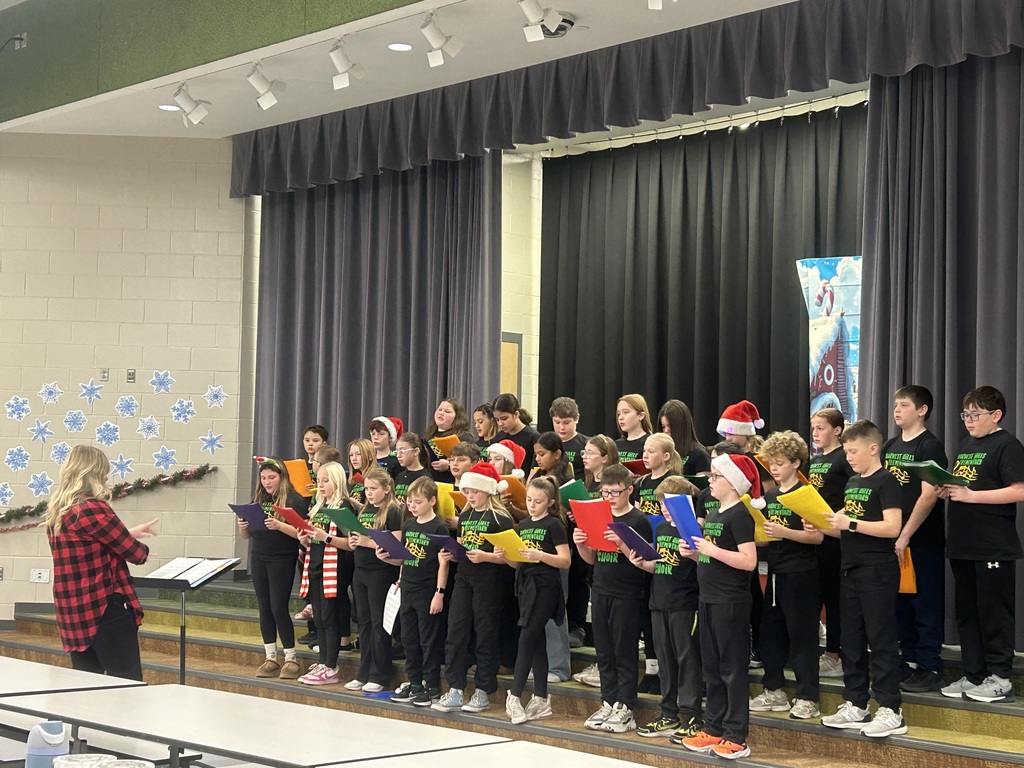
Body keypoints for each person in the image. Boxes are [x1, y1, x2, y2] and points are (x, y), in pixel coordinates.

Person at [938, 386, 1024, 704]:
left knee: (993, 613)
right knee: (967, 613)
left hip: (992, 546)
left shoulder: (1007, 445)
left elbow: (1019, 489)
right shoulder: (967, 444)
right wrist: (949, 488)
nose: (969, 420)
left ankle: (1000, 678)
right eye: (965, 415)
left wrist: (973, 496)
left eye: (975, 414)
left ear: (996, 415)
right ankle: (974, 674)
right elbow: (968, 482)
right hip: (963, 543)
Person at [820, 420, 906, 738]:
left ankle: (890, 708)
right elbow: (844, 527)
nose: (849, 457)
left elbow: (891, 527)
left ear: (873, 448)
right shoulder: (853, 481)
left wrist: (850, 523)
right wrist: (821, 526)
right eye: (846, 451)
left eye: (853, 451)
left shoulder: (887, 482)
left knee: (880, 639)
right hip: (850, 568)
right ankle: (856, 702)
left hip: (877, 570)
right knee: (851, 640)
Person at [43, 445, 157, 681]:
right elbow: (136, 554)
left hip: (72, 609)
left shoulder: (58, 511)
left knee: (87, 683)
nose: (106, 477)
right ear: (93, 473)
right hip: (102, 607)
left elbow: (87, 544)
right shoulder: (94, 508)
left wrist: (129, 532)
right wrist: (135, 542)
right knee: (125, 681)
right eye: (104, 471)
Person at [680, 453, 758, 759]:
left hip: (731, 602)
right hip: (708, 599)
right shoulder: (714, 514)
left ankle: (736, 734)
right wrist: (696, 554)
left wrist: (711, 549)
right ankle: (714, 728)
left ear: (734, 483)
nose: (711, 481)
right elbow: (713, 557)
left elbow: (748, 561)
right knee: (711, 668)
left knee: (731, 670)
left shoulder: (740, 515)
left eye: (716, 477)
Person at [748, 431, 822, 720]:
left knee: (802, 636)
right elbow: (767, 536)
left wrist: (784, 532)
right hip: (776, 571)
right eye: (771, 463)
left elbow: (815, 538)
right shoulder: (770, 495)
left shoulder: (805, 494)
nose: (774, 468)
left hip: (801, 573)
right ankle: (774, 689)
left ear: (796, 463)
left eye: (780, 462)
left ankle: (808, 696)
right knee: (771, 632)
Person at [574, 463, 652, 734]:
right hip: (602, 588)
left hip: (627, 592)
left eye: (615, 492)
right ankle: (608, 701)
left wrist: (621, 542)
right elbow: (592, 559)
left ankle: (625, 705)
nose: (609, 497)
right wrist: (581, 542)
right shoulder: (600, 514)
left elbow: (641, 560)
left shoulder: (638, 520)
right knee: (604, 651)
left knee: (624, 650)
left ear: (629, 490)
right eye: (605, 492)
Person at [433, 462, 515, 714]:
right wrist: (453, 554)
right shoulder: (466, 515)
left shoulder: (501, 518)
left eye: (474, 491)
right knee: (456, 631)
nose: (469, 496)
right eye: (467, 491)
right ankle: (455, 688)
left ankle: (482, 690)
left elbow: (511, 558)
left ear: (488, 491)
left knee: (485, 632)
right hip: (465, 578)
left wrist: (487, 557)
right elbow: (463, 545)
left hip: (489, 580)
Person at [882, 385, 947, 693]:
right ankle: (907, 662)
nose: (897, 409)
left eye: (904, 404)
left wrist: (905, 534)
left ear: (922, 410)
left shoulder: (929, 447)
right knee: (900, 604)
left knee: (924, 603)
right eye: (896, 404)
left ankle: (930, 666)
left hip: (921, 540)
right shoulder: (891, 446)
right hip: (892, 539)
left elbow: (929, 495)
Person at [629, 475, 703, 741]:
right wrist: (642, 563)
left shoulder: (693, 529)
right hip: (659, 601)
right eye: (660, 503)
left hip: (685, 604)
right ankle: (668, 713)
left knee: (687, 660)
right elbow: (661, 564)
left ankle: (691, 714)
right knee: (665, 661)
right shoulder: (660, 529)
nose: (662, 509)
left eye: (668, 504)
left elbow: (702, 565)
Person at [500, 477, 571, 724]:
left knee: (527, 635)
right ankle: (541, 698)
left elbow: (565, 560)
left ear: (550, 502)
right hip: (526, 586)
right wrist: (505, 555)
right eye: (529, 500)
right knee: (537, 640)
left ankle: (514, 695)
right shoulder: (522, 525)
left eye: (538, 501)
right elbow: (516, 563)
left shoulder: (554, 525)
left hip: (547, 587)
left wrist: (540, 554)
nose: (531, 505)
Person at [239, 457, 309, 679]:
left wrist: (279, 525)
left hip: (282, 558)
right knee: (265, 607)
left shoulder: (294, 500)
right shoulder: (259, 499)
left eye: (272, 477)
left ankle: (290, 658)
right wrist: (243, 527)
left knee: (279, 606)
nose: (267, 482)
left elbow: (302, 533)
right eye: (263, 478)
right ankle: (270, 656)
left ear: (282, 477)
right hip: (259, 556)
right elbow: (247, 535)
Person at [384, 477, 450, 707]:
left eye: (417, 501)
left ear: (432, 501)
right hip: (408, 588)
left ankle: (432, 686)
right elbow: (405, 556)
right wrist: (400, 575)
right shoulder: (409, 525)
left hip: (427, 589)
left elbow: (444, 563)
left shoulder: (439, 527)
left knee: (428, 640)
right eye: (410, 501)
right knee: (409, 639)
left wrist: (439, 592)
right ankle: (414, 684)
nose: (412, 506)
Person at [294, 462, 353, 685]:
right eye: (318, 481)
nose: (321, 485)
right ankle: (323, 661)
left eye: (325, 481)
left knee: (329, 617)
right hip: (315, 565)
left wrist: (325, 537)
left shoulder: (344, 506)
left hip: (335, 568)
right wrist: (304, 538)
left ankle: (331, 665)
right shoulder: (318, 506)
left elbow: (351, 543)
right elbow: (313, 536)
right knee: (319, 617)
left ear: (337, 481)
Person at [346, 467, 402, 693]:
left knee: (379, 624)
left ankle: (380, 674)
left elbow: (395, 547)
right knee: (364, 622)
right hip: (361, 569)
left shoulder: (393, 511)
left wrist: (368, 542)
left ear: (386, 489)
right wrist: (353, 542)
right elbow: (358, 537)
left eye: (373, 489)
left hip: (380, 571)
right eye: (367, 489)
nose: (369, 493)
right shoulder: (367, 509)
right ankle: (364, 671)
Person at [809, 407, 854, 678]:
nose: (815, 433)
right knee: (818, 595)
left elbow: (851, 494)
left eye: (821, 428)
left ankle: (835, 654)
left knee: (833, 597)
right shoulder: (816, 460)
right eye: (813, 428)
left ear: (837, 431)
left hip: (835, 537)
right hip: (815, 536)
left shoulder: (843, 459)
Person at [424, 398, 475, 484]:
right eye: (440, 409)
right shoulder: (430, 434)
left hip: (451, 482)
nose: (441, 413)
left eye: (447, 411)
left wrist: (448, 465)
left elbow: (470, 463)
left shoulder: (464, 437)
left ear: (457, 417)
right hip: (430, 482)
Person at [658, 400, 711, 475]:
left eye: (670, 426)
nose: (666, 431)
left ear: (682, 427)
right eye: (663, 427)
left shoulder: (699, 454)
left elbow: (705, 485)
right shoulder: (662, 451)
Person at [492, 393, 540, 472]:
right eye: (497, 420)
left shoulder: (533, 438)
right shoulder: (498, 438)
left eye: (504, 418)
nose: (500, 423)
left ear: (516, 414)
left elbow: (535, 469)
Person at [550, 397, 588, 479]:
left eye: (566, 422)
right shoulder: (546, 443)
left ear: (576, 418)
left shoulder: (587, 444)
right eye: (557, 422)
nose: (561, 427)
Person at [614, 394, 653, 462]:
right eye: (618, 414)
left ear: (641, 416)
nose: (620, 417)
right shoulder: (616, 444)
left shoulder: (649, 442)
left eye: (626, 412)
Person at [393, 432, 430, 503]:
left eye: (402, 451)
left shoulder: (424, 477)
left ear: (415, 451)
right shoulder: (400, 476)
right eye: (397, 451)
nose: (398, 455)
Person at [346, 438, 376, 512]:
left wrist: (359, 506)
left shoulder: (377, 479)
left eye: (358, 454)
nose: (354, 458)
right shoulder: (356, 481)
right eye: (351, 455)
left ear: (370, 456)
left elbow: (379, 509)